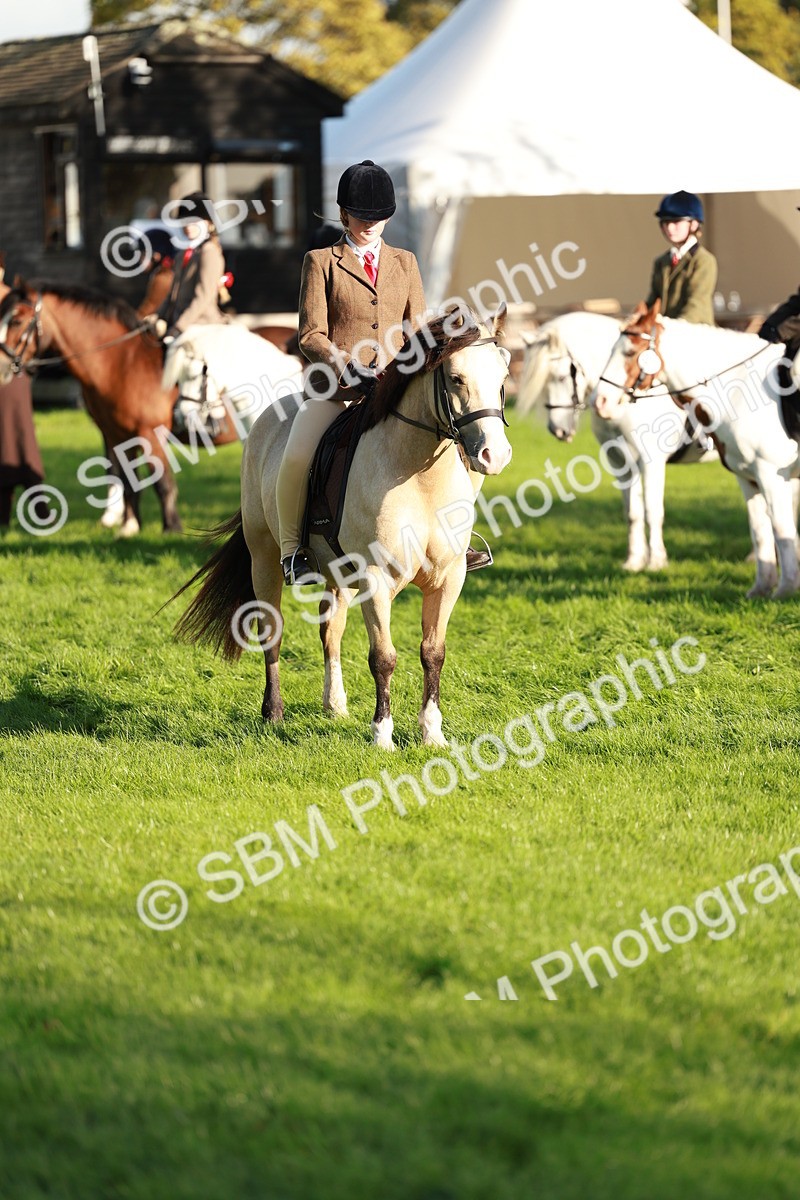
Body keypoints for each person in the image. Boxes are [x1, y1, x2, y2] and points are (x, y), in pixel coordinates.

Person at [154, 192, 227, 338]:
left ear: (208, 223)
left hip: (202, 327)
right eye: (185, 221)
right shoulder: (183, 254)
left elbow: (204, 296)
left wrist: (180, 327)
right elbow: (172, 295)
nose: (188, 226)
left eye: (194, 221)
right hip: (180, 325)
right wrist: (157, 317)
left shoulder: (209, 252)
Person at [646, 191, 717, 325]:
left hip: (696, 331)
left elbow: (696, 304)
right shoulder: (661, 262)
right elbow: (652, 302)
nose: (670, 228)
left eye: (676, 221)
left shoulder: (704, 260)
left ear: (694, 224)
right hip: (667, 332)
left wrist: (674, 328)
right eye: (665, 222)